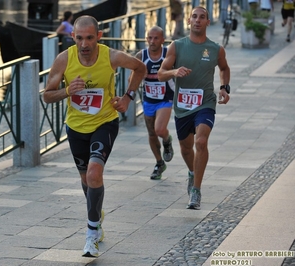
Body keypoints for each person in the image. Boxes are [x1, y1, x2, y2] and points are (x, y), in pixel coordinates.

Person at [43, 16, 146, 257]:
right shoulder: (63, 60)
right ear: (73, 37)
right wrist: (68, 91)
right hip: (76, 128)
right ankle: (96, 215)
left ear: (98, 36)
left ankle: (92, 235)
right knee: (86, 180)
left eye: (90, 38)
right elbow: (47, 95)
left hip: (105, 123)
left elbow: (140, 68)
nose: (85, 44)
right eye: (80, 38)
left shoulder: (110, 56)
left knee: (93, 173)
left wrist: (128, 97)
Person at [157, 6, 230, 210]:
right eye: (194, 17)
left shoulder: (216, 49)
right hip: (182, 106)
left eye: (202, 17)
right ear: (189, 21)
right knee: (187, 148)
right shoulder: (177, 46)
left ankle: (196, 191)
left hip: (205, 102)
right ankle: (192, 172)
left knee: (201, 140)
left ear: (208, 22)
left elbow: (224, 68)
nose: (198, 20)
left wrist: (224, 87)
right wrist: (174, 71)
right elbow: (161, 74)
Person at [132, 26, 174, 180]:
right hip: (149, 99)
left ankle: (167, 140)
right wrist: (128, 94)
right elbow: (133, 77)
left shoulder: (168, 54)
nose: (152, 41)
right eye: (150, 38)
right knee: (151, 133)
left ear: (162, 40)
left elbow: (178, 71)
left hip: (166, 98)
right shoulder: (141, 55)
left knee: (159, 129)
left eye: (156, 38)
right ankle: (159, 163)